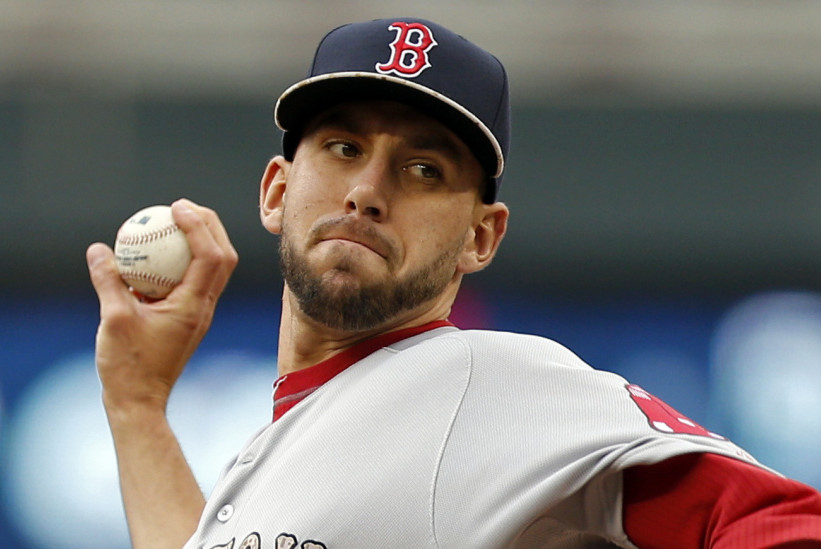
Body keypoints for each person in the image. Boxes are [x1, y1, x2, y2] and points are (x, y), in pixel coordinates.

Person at [86, 17, 821, 549]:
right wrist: (137, 402)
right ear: (277, 191)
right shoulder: (299, 433)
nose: (367, 190)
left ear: (480, 235)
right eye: (344, 147)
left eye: (423, 169)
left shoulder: (490, 383)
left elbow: (780, 524)